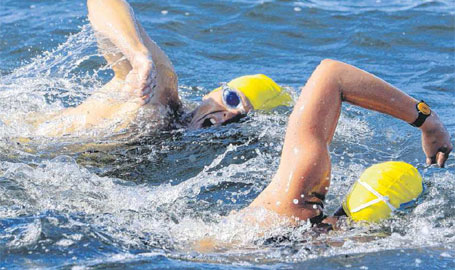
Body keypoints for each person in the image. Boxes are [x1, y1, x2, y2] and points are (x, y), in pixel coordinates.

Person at [35, 0, 453, 226]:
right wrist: (138, 54)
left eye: (235, 104)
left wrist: (426, 119)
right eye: (230, 94)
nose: (221, 106)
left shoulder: (294, 206)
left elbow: (331, 75)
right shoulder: (296, 213)